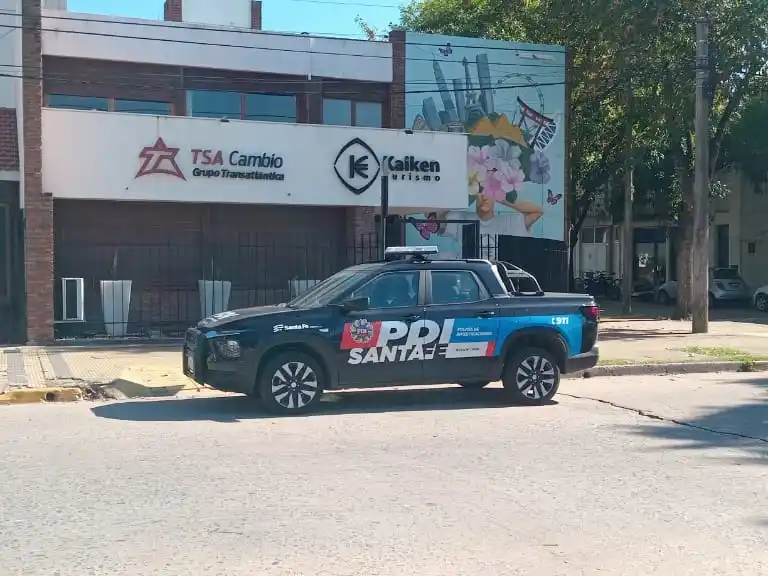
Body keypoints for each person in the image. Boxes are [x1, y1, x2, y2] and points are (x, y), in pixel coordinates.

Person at [437, 192, 544, 259]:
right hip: (469, 280)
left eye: (488, 191)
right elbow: (434, 216)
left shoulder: (510, 222)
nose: (484, 196)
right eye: (480, 191)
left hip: (500, 280)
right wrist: (466, 194)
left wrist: (502, 197)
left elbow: (537, 211)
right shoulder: (461, 218)